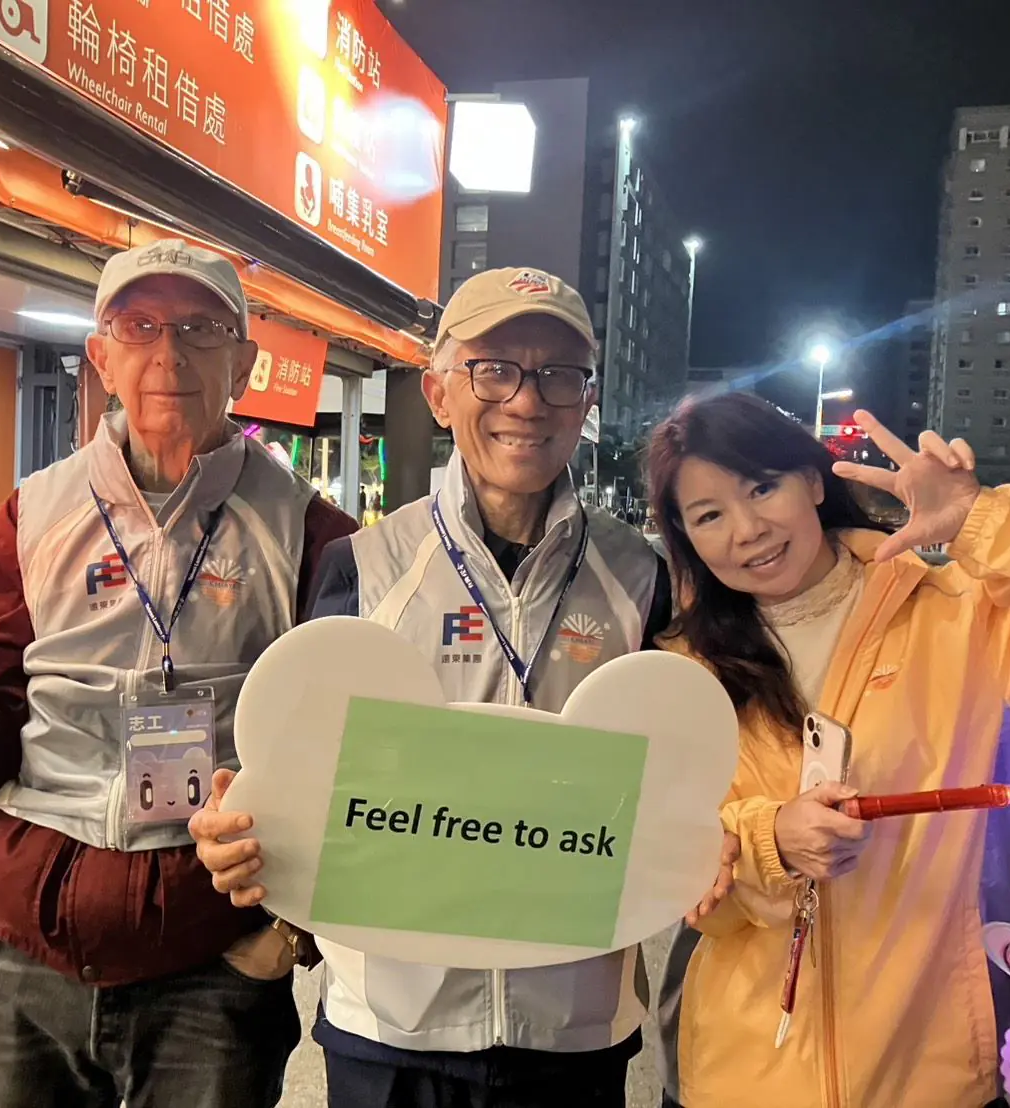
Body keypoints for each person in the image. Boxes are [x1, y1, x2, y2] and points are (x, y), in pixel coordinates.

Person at [191, 267, 704, 1108]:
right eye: (493, 370)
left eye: (557, 375)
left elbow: (687, 770)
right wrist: (246, 830)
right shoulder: (362, 565)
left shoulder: (641, 577)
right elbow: (305, 771)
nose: (526, 401)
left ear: (585, 401)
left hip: (573, 1026)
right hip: (392, 1028)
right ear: (437, 394)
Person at [0, 239, 356, 1108]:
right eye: (140, 326)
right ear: (101, 357)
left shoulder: (310, 532)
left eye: (201, 329)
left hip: (210, 968)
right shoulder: (34, 512)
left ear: (244, 362)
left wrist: (287, 937)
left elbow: (347, 758)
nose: (169, 353)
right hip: (18, 956)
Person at [646, 393, 1010, 1108]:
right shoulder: (684, 670)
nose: (747, 529)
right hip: (744, 1075)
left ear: (811, 482)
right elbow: (677, 877)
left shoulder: (962, 617)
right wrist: (770, 841)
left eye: (761, 488)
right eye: (708, 515)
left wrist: (984, 525)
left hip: (935, 1072)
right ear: (687, 539)